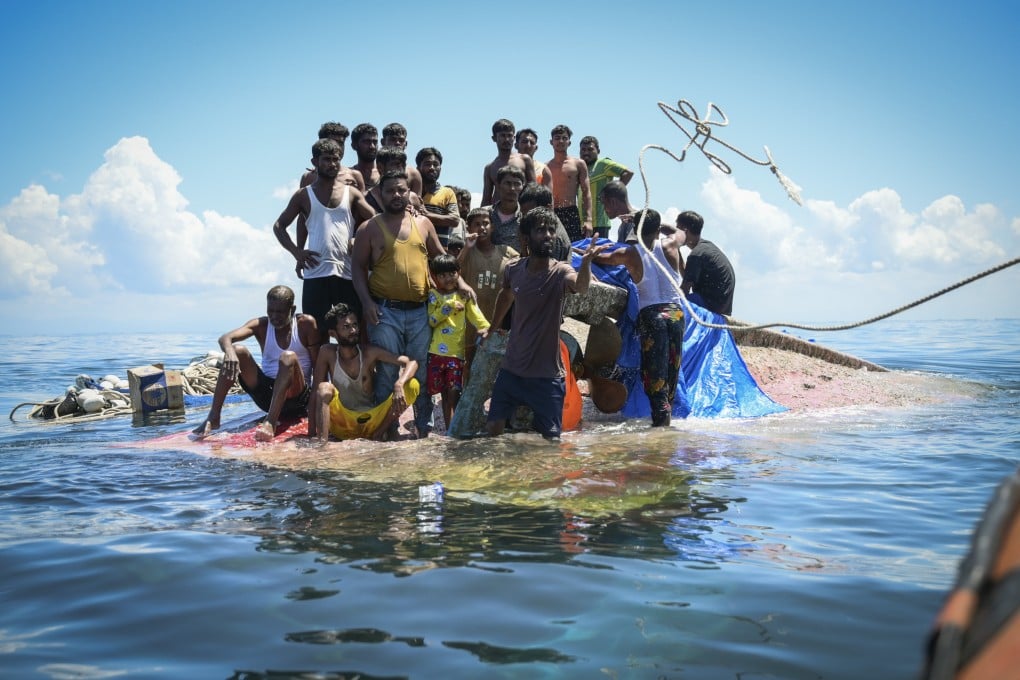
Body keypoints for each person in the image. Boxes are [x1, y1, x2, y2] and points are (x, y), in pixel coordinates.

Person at [351, 170, 471, 438]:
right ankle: (388, 429)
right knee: (387, 372)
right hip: (384, 311)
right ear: (380, 195)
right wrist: (367, 303)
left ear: (410, 193)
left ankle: (423, 427)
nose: (396, 195)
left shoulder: (424, 224)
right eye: (390, 190)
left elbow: (442, 259)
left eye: (401, 190)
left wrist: (461, 284)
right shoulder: (368, 228)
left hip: (421, 311)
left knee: (423, 371)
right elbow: (357, 269)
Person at [484, 207, 606, 439]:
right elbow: (506, 294)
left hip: (547, 377)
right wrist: (491, 327)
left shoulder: (560, 272)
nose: (548, 235)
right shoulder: (513, 269)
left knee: (550, 441)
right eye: (541, 230)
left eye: (551, 230)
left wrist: (587, 262)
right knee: (493, 431)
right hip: (512, 371)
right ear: (525, 237)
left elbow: (580, 287)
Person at [592, 209, 685, 426]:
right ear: (657, 228)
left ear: (636, 229)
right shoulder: (671, 245)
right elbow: (680, 232)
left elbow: (604, 259)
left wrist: (588, 252)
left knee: (654, 373)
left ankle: (660, 423)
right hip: (675, 313)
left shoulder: (630, 253)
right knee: (672, 368)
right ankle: (665, 420)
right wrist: (662, 227)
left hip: (652, 315)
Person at [272, 138, 376, 333]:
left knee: (351, 330)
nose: (332, 164)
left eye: (336, 159)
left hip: (346, 273)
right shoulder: (303, 195)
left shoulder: (351, 193)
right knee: (316, 331)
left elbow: (375, 221)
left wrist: (358, 239)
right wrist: (297, 252)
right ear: (315, 162)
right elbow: (279, 226)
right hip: (316, 273)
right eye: (327, 159)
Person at [192, 285, 320, 442]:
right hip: (268, 397)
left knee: (288, 357)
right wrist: (231, 354)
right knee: (238, 350)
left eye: (279, 312)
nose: (274, 316)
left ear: (292, 310)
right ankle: (214, 416)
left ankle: (271, 422)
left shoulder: (305, 324)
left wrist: (317, 405)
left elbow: (317, 365)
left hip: (296, 398)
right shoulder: (261, 325)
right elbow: (225, 338)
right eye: (270, 311)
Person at [307, 303, 420, 442]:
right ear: (333, 333)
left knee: (413, 385)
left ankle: (379, 434)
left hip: (371, 420)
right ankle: (322, 442)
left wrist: (400, 383)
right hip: (343, 424)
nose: (353, 330)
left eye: (355, 325)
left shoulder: (369, 352)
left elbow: (412, 362)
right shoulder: (327, 352)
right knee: (323, 388)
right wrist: (310, 432)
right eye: (346, 327)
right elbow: (315, 393)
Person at [427, 253, 490, 430]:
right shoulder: (433, 295)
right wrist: (448, 307)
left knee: (454, 394)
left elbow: (478, 318)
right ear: (435, 276)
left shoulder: (464, 296)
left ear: (458, 273)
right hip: (436, 354)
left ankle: (452, 432)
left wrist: (489, 330)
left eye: (451, 274)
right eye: (442, 275)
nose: (447, 278)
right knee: (444, 395)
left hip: (456, 354)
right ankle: (449, 430)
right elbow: (432, 320)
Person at [458, 207, 518, 377]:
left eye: (485, 223)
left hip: (495, 321)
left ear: (492, 227)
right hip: (468, 322)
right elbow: (453, 271)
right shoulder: (468, 253)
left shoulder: (507, 253)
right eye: (476, 224)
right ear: (469, 228)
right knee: (467, 364)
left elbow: (524, 269)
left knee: (491, 367)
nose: (482, 228)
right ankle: (464, 400)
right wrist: (466, 248)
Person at [678, 210, 735, 315]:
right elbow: (688, 275)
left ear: (684, 230)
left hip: (708, 307)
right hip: (722, 308)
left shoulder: (696, 255)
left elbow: (684, 291)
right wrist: (675, 250)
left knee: (669, 309)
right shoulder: (706, 248)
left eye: (677, 229)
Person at [579, 135, 633, 239]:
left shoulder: (603, 164)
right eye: (583, 150)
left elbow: (628, 173)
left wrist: (614, 192)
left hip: (600, 223)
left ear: (598, 151)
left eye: (590, 149)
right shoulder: (580, 168)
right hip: (583, 224)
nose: (586, 152)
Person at [546, 124, 593, 242]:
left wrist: (588, 220)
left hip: (571, 212)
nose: (560, 141)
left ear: (569, 142)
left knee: (574, 249)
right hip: (552, 213)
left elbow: (586, 193)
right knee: (553, 248)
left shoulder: (578, 164)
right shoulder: (546, 167)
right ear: (551, 142)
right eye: (557, 138)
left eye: (564, 138)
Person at [482, 119, 536, 206]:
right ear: (494, 138)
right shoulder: (490, 167)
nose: (507, 139)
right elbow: (486, 198)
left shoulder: (524, 160)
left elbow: (534, 191)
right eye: (502, 135)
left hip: (521, 212)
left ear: (514, 138)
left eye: (510, 136)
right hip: (498, 214)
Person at [416, 147, 462, 248]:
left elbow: (454, 220)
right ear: (418, 167)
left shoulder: (447, 193)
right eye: (427, 164)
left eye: (436, 164)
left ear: (440, 168)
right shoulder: (410, 192)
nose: (432, 168)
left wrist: (427, 214)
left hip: (438, 258)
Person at [518, 182, 571, 261]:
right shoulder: (537, 227)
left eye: (530, 213)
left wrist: (524, 248)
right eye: (524, 214)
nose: (525, 219)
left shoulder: (553, 238)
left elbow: (541, 271)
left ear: (547, 208)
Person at [488, 165, 526, 250]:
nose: (512, 188)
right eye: (507, 183)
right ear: (498, 186)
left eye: (517, 184)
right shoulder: (485, 214)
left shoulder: (526, 217)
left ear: (522, 187)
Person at [381, 122, 424, 196]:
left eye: (401, 140)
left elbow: (417, 203)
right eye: (393, 139)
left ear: (406, 144)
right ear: (383, 142)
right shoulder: (375, 170)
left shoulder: (413, 174)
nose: (397, 143)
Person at [350, 123, 380, 190]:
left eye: (375, 142)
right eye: (367, 142)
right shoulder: (348, 176)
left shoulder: (385, 174)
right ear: (354, 145)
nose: (372, 146)